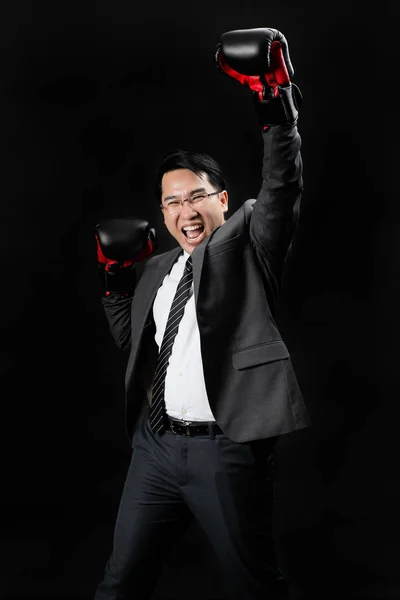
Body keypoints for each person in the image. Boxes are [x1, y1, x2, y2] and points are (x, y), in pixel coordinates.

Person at [93, 27, 311, 600]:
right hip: (156, 449)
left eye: (195, 196)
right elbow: (130, 339)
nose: (184, 209)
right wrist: (115, 280)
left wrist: (273, 102)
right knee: (120, 584)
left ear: (221, 199)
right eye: (171, 201)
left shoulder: (249, 241)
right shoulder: (156, 271)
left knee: (253, 586)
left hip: (225, 449)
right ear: (161, 212)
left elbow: (281, 185)